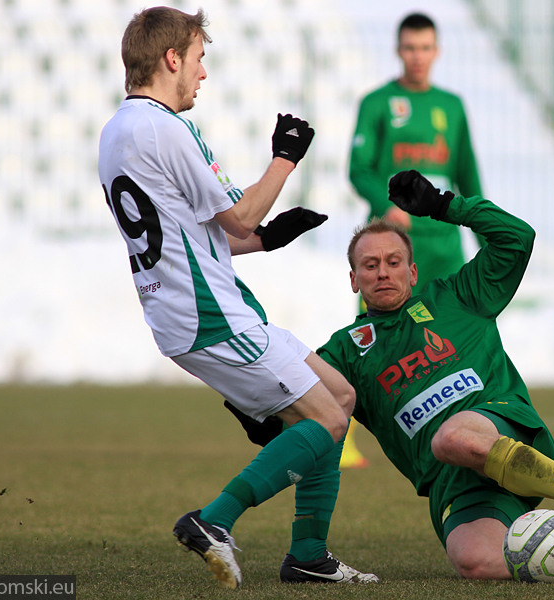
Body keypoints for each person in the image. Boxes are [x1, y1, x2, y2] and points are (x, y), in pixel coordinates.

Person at [97, 7, 377, 588]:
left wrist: (267, 239)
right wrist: (287, 156)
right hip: (210, 317)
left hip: (195, 311)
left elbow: (194, 235)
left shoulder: (118, 131)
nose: (203, 74)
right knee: (325, 419)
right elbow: (240, 211)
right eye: (199, 59)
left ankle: (308, 557)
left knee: (340, 396)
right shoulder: (165, 127)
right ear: (171, 58)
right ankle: (214, 520)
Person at [318, 170, 554, 579]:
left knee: (452, 437)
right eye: (370, 265)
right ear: (354, 279)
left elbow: (517, 237)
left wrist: (444, 205)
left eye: (393, 262)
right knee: (477, 564)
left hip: (499, 425)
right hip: (452, 480)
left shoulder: (457, 296)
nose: (383, 272)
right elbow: (297, 396)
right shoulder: (345, 349)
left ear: (413, 272)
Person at [343, 11, 484, 469]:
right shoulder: (378, 102)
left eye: (425, 48)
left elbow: (468, 178)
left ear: (436, 50)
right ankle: (339, 433)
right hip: (391, 247)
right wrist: (384, 204)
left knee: (451, 338)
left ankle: (465, 430)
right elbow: (358, 168)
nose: (418, 57)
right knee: (370, 342)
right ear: (398, 50)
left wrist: (484, 235)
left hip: (443, 247)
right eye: (410, 48)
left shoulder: (453, 106)